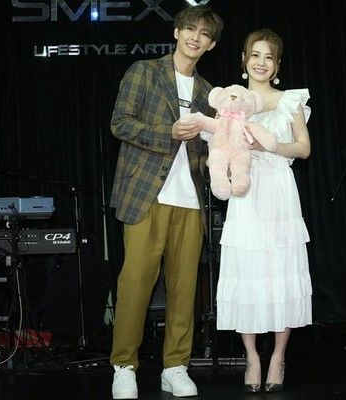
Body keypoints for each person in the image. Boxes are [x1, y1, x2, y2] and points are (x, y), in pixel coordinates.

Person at [108, 5, 223, 399]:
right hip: (144, 195)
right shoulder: (144, 71)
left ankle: (175, 366)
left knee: (184, 289)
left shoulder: (210, 93)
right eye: (190, 29)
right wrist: (169, 132)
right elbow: (120, 123)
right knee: (135, 285)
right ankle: (124, 366)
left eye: (204, 34)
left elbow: (208, 151)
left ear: (211, 45)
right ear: (177, 32)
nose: (195, 37)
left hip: (190, 201)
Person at [215, 28, 312, 393]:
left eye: (268, 57)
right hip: (245, 193)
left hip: (279, 191)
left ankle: (278, 357)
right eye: (254, 55)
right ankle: (252, 356)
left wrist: (268, 147)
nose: (261, 62)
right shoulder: (231, 99)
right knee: (248, 271)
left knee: (282, 270)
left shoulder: (290, 100)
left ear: (277, 65)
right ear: (244, 60)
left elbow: (303, 148)